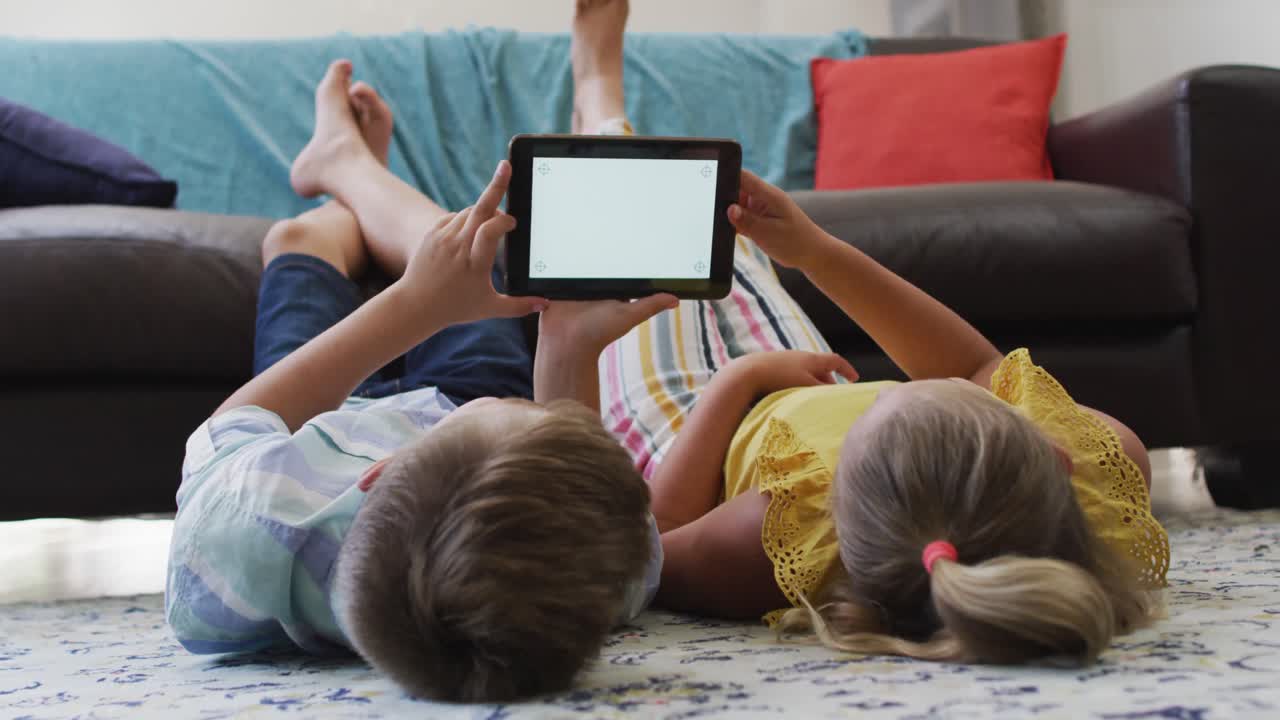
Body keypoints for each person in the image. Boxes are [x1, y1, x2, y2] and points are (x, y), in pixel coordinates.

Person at [584, 0, 1169, 663]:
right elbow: (975, 367)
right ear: (1053, 456)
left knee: (638, 222)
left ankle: (598, 94)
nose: (917, 380)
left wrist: (738, 381)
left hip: (689, 423)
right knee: (725, 242)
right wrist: (813, 251)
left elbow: (652, 543)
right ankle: (606, 112)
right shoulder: (1100, 473)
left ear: (835, 501)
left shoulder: (773, 541)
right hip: (802, 373)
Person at [165, 9, 677, 701]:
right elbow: (577, 471)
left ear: (378, 471)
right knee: (466, 265)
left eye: (514, 407)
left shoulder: (249, 530)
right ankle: (353, 173)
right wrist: (565, 342)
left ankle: (346, 172)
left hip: (313, 425)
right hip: (450, 427)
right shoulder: (602, 572)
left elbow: (234, 423)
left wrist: (414, 305)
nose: (532, 401)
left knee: (298, 242)